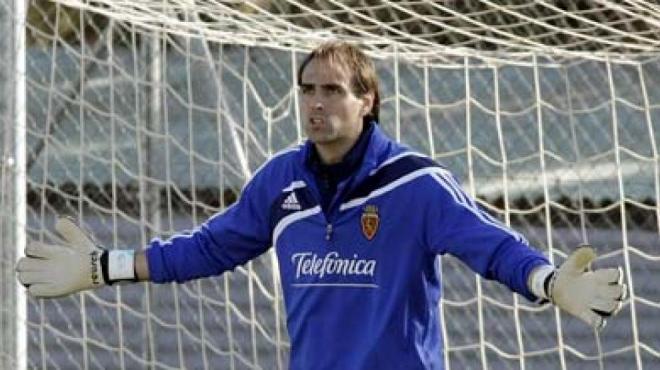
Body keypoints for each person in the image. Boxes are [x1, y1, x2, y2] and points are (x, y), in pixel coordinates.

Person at [16, 41, 626, 370]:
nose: (315, 102)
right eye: (307, 89)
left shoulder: (415, 185)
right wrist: (104, 267)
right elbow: (206, 248)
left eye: (332, 90)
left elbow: (491, 245)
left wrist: (548, 281)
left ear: (368, 101)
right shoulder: (281, 183)